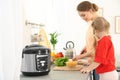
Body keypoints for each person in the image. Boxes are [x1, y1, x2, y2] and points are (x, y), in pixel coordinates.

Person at [72, 1, 100, 80]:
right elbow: (94, 41)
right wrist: (86, 46)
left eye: (83, 15)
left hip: (98, 64)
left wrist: (80, 56)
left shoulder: (99, 24)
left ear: (91, 11)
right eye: (81, 16)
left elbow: (99, 49)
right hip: (93, 62)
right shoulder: (93, 23)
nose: (83, 18)